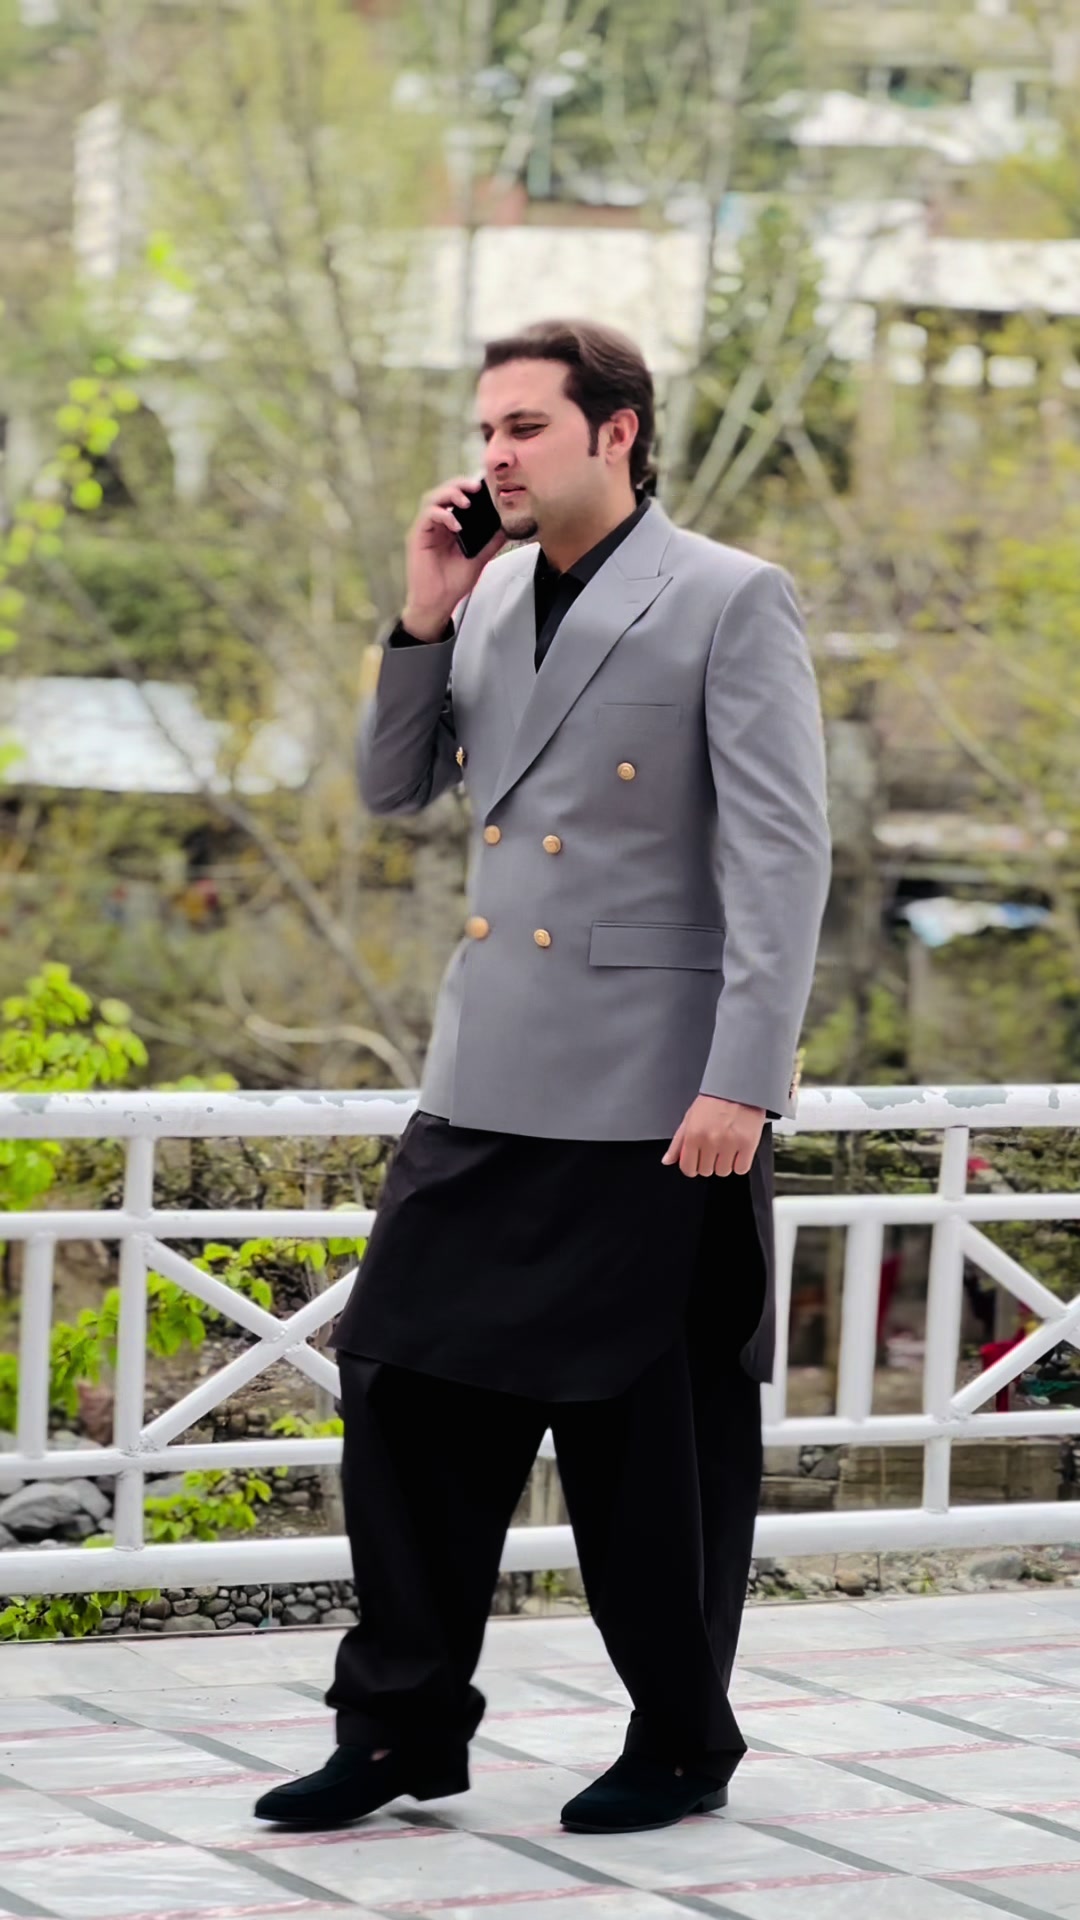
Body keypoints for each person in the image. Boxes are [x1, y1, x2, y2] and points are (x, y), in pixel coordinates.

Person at [255, 318, 831, 1838]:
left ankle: (682, 1739)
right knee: (400, 1389)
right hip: (485, 1075)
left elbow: (783, 861)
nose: (495, 454)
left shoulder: (728, 596)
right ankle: (400, 1728)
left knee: (649, 1446)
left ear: (615, 432)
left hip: (659, 1099)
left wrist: (744, 1082)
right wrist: (421, 615)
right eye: (487, 429)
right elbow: (393, 791)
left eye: (525, 427)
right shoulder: (491, 592)